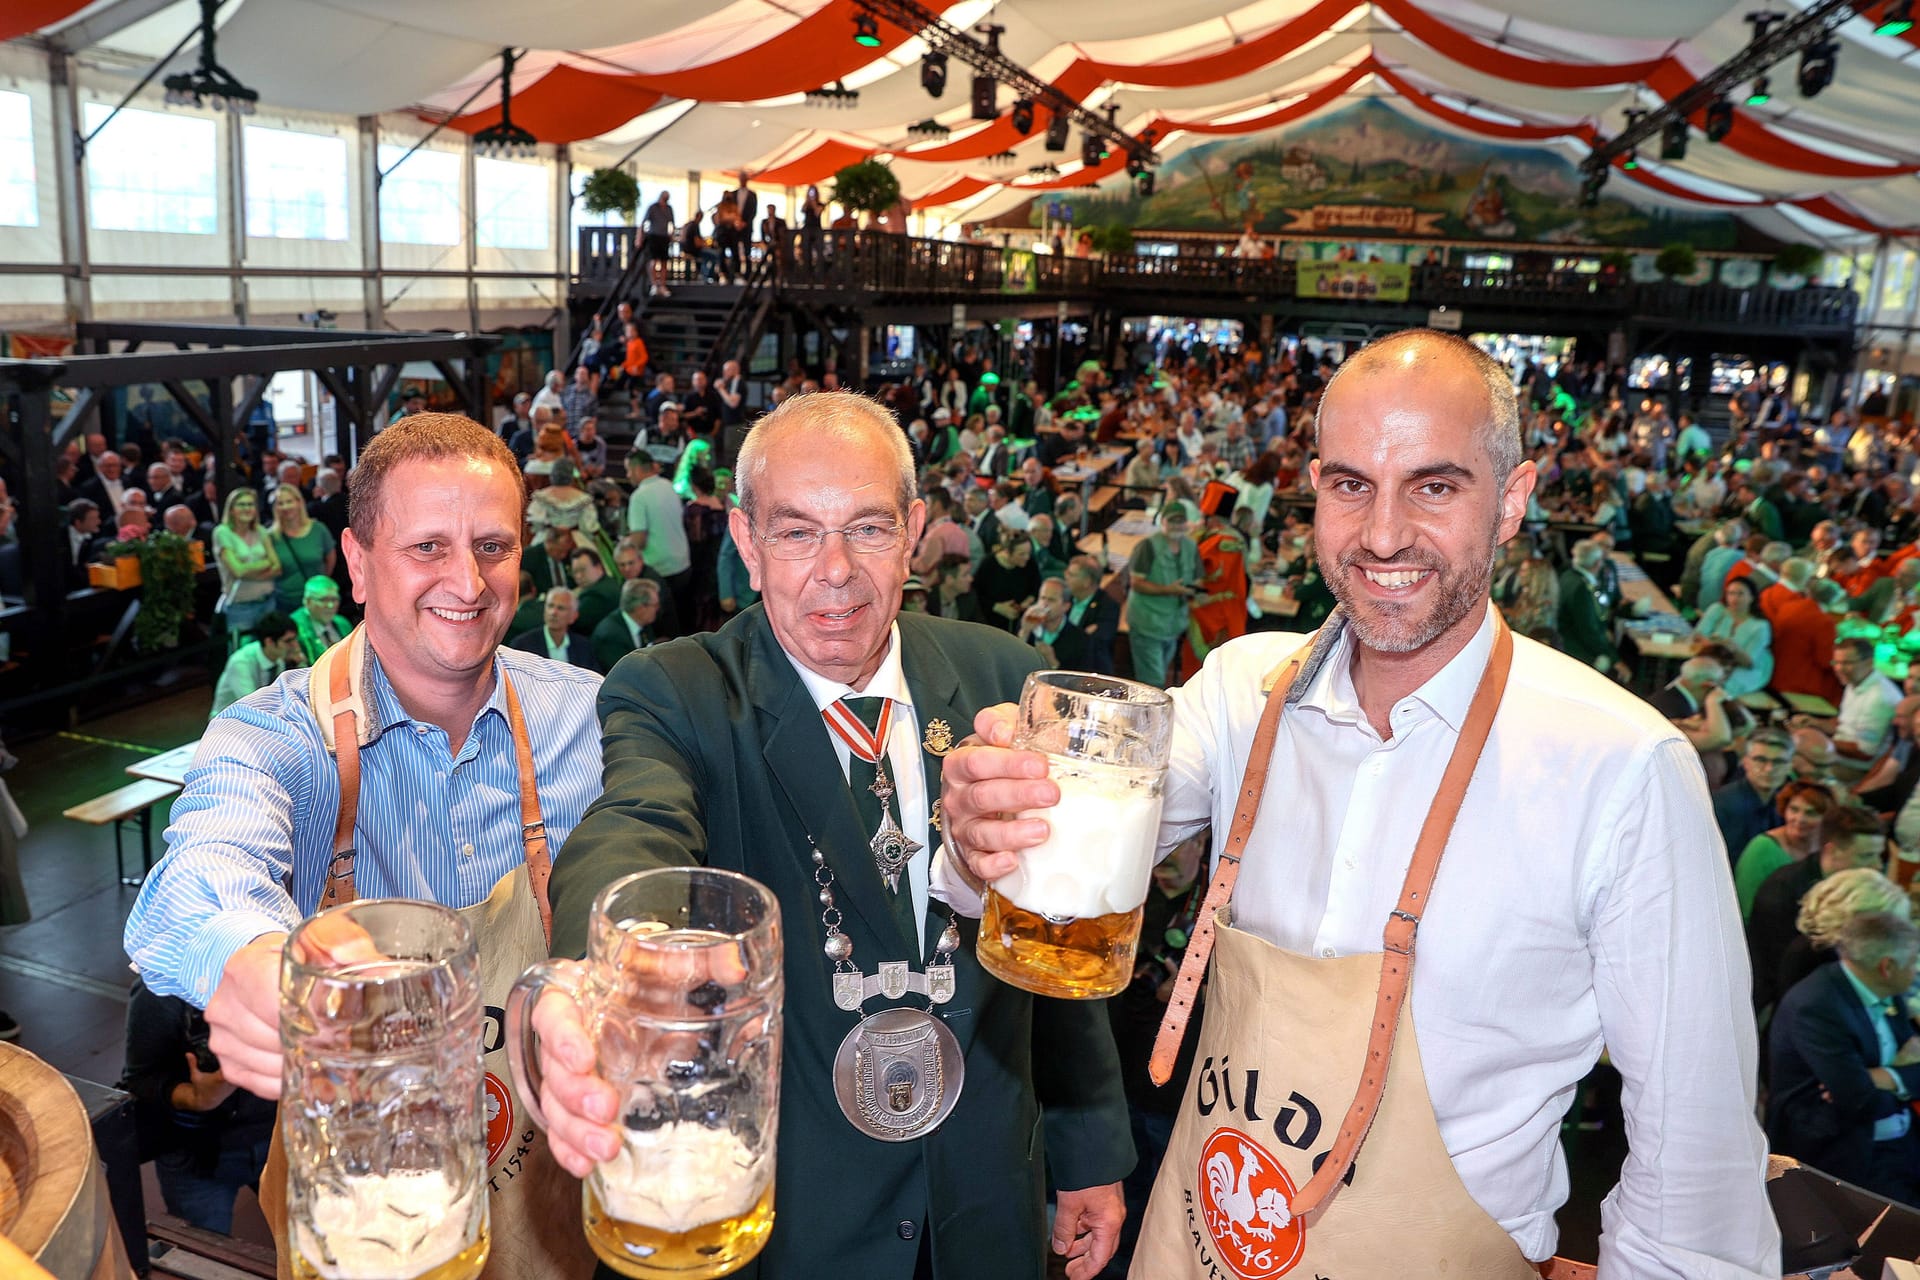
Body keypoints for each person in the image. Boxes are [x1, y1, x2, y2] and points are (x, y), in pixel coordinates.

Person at [938, 329, 1776, 1276]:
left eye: (1434, 485)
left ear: (1512, 501)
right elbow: (1040, 869)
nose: (1381, 535)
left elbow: (1695, 1168)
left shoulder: (1621, 770)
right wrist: (984, 830)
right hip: (1203, 1246)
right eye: (1350, 485)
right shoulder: (1239, 689)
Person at [528, 392, 1131, 1280]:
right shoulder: (677, 692)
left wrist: (1089, 1146)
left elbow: (1054, 923)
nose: (836, 570)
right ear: (745, 541)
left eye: (869, 529)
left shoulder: (1005, 675)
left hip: (985, 1196)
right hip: (798, 1222)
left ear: (916, 529)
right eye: (797, 532)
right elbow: (631, 829)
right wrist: (609, 966)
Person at [123, 413, 604, 1279]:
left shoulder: (587, 719)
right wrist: (251, 957)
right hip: (367, 1230)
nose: (468, 580)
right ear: (355, 561)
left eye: (493, 546)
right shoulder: (277, 736)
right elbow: (197, 870)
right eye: (427, 547)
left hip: (553, 1216)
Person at [1767, 910, 1920, 1204]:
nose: (1916, 970)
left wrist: (1881, 1077)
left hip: (1900, 1137)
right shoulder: (1816, 1006)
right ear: (1887, 967)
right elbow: (1860, 1101)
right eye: (1913, 962)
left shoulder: (1884, 987)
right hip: (1845, 1153)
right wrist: (1895, 1074)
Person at [1732, 781, 1834, 919]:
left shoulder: (1830, 848)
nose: (1799, 819)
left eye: (1811, 813)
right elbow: (1744, 908)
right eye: (1794, 809)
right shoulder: (1762, 848)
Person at [1124, 506, 1200, 688]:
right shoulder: (1147, 546)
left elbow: (1198, 579)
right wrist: (1168, 590)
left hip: (1173, 625)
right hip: (1147, 623)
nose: (1176, 525)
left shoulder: (1191, 547)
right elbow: (1136, 582)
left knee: (1161, 673)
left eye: (1180, 521)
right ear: (1162, 522)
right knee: (1152, 681)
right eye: (1172, 521)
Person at [1714, 727, 1795, 868]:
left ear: (1790, 766)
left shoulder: (1789, 799)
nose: (1769, 769)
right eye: (1760, 760)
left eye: (1779, 762)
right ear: (1745, 763)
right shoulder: (1725, 804)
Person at [212, 489, 281, 647]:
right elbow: (237, 571)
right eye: (241, 504)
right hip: (240, 606)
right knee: (242, 654)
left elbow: (277, 566)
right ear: (231, 509)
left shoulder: (261, 531)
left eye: (250, 504)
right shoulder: (222, 532)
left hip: (268, 601)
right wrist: (265, 564)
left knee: (271, 651)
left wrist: (247, 571)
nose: (246, 508)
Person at [265, 482, 337, 615]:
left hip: (318, 602)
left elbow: (330, 558)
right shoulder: (270, 536)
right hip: (285, 604)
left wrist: (320, 584)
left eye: (289, 501)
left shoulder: (318, 529)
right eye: (280, 503)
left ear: (299, 502)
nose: (285, 507)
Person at [1696, 575, 1774, 697]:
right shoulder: (1718, 610)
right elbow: (1699, 634)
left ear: (1751, 597)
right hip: (1714, 661)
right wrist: (1711, 645)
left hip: (1744, 670)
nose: (1734, 598)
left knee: (1723, 685)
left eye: (1740, 594)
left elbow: (1749, 662)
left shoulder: (1760, 626)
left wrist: (1733, 648)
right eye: (1731, 594)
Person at [209, 612, 297, 718]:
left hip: (260, 715)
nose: (295, 645)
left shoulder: (278, 658)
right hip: (227, 722)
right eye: (288, 641)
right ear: (269, 642)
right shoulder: (241, 662)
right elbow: (252, 705)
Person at [509, 587, 598, 672]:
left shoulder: (583, 647)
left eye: (560, 608)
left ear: (573, 616)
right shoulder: (522, 645)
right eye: (550, 606)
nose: (553, 612)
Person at [588, 576, 660, 671]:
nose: (658, 608)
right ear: (640, 608)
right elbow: (624, 673)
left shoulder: (644, 623)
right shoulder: (610, 637)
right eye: (655, 605)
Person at [288, 575, 351, 666]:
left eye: (334, 599)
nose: (330, 605)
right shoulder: (294, 627)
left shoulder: (343, 624)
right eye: (324, 600)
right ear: (308, 601)